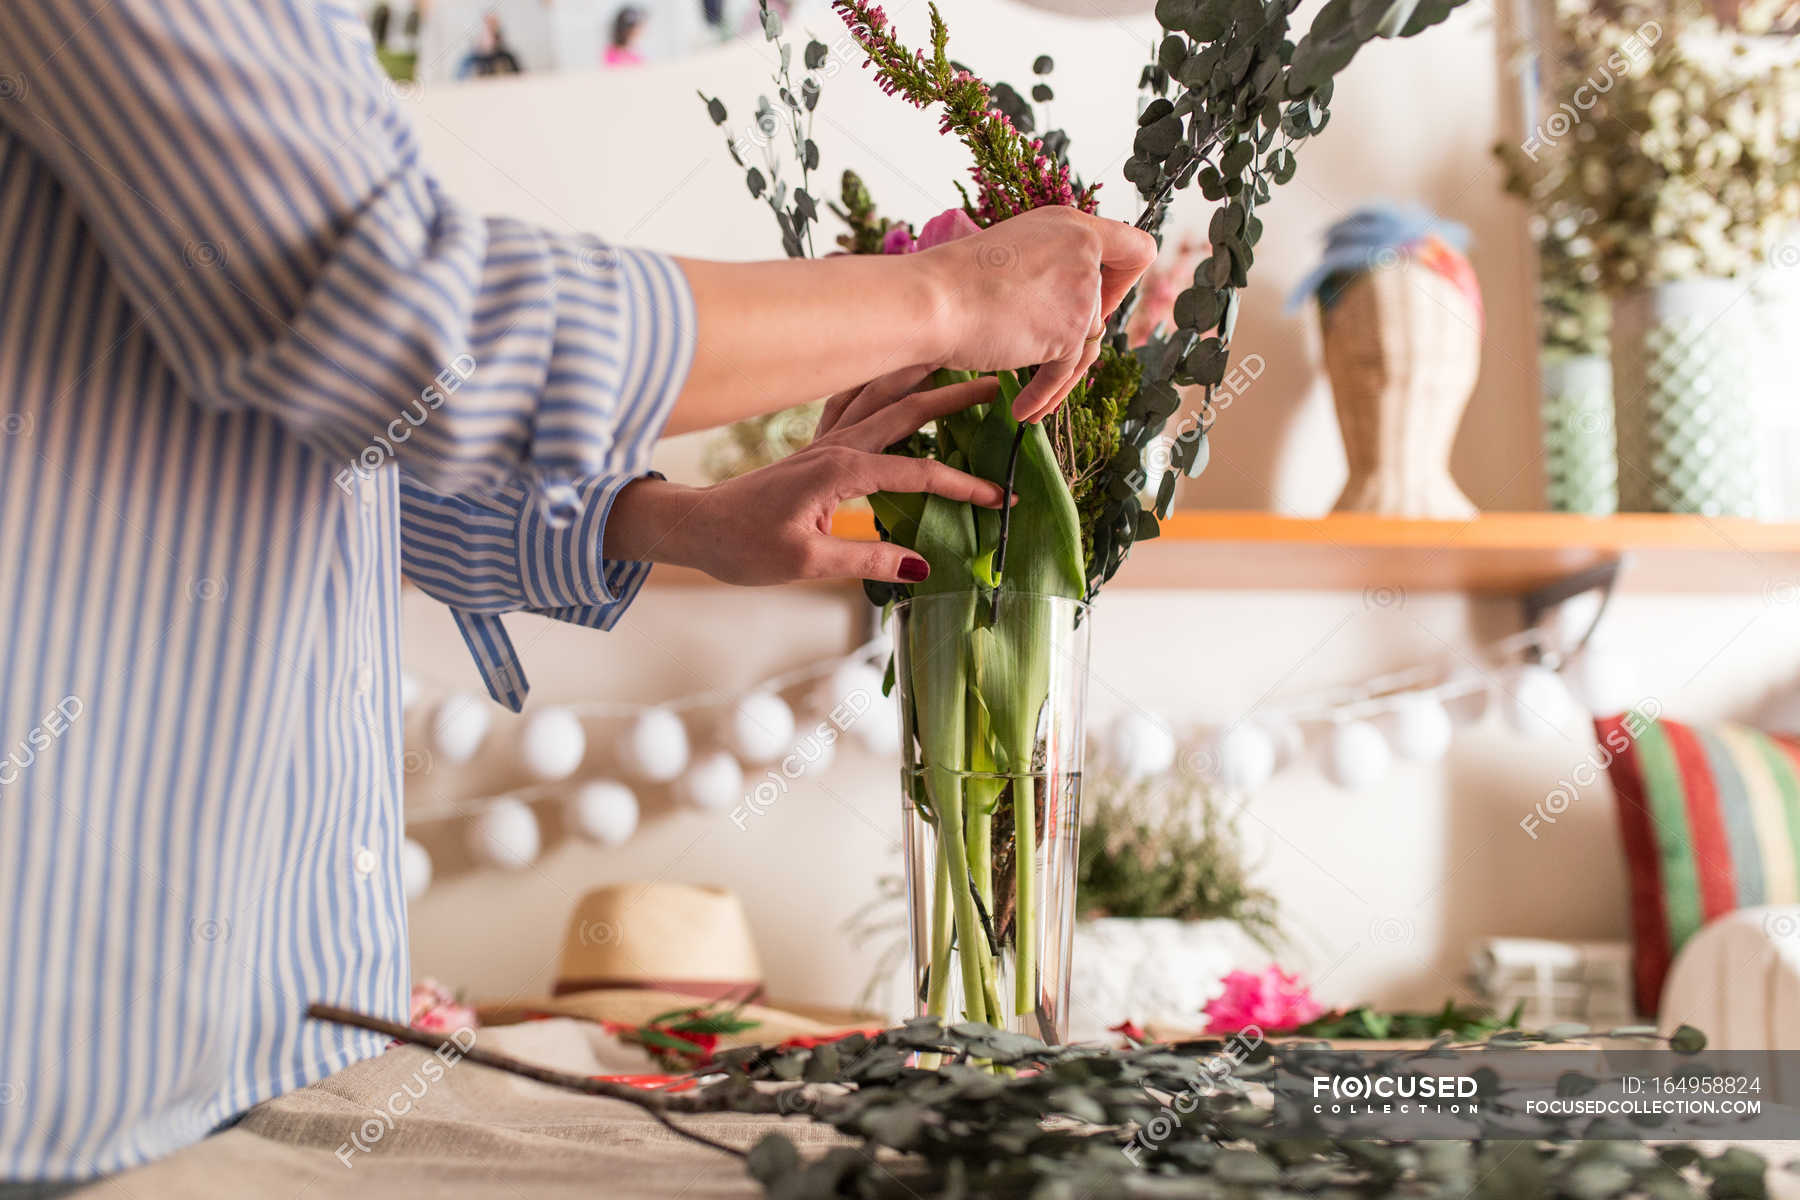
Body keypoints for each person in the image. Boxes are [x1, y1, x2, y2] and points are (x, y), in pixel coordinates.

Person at [0, 0, 1154, 1188]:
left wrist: (665, 519)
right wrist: (939, 299)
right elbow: (397, 309)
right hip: (83, 1070)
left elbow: (339, 436)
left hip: (278, 1034)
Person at [456, 10, 523, 77]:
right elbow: (460, 81)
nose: (492, 36)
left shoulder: (507, 58)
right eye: (488, 30)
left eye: (495, 29)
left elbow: (520, 78)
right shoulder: (470, 60)